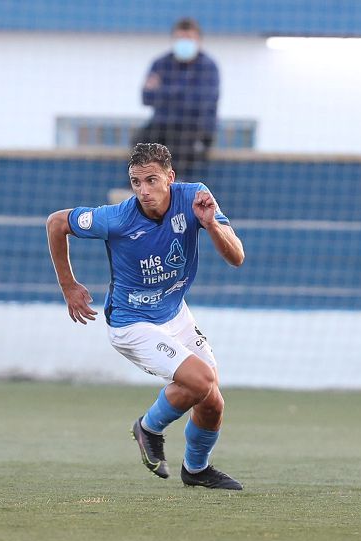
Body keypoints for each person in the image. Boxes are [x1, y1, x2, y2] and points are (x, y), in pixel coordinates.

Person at [46, 143, 245, 490]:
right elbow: (56, 222)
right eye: (136, 182)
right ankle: (148, 428)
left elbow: (237, 256)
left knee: (213, 401)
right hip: (132, 323)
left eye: (151, 180)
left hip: (174, 312)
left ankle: (196, 470)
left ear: (170, 177)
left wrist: (211, 224)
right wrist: (68, 285)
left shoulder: (196, 198)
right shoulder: (117, 218)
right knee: (199, 381)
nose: (143, 190)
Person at [131, 17, 219, 182]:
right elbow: (146, 97)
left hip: (194, 128)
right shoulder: (161, 63)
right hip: (163, 125)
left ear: (198, 41)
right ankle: (138, 186)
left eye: (189, 39)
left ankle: (176, 188)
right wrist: (184, 92)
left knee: (179, 146)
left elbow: (200, 103)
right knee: (140, 142)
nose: (184, 43)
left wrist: (162, 91)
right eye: (180, 38)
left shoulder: (208, 67)